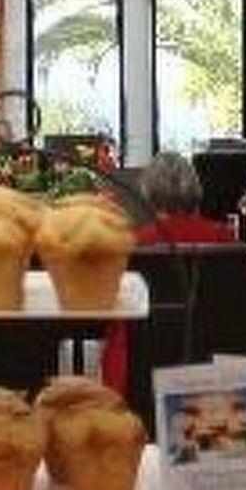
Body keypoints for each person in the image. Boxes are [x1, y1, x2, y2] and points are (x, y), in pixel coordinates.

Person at [98, 151, 237, 393]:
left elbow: (111, 301)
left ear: (149, 194)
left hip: (142, 366)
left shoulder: (138, 244)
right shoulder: (222, 237)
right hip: (210, 362)